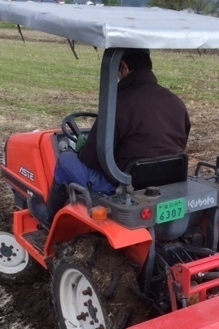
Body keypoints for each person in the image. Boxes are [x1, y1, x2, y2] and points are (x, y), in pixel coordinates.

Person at [29, 48, 191, 229]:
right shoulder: (176, 102)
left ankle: (49, 217)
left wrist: (83, 148)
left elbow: (91, 159)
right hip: (167, 180)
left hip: (124, 185)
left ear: (124, 67)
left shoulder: (118, 105)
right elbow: (180, 142)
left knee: (66, 160)